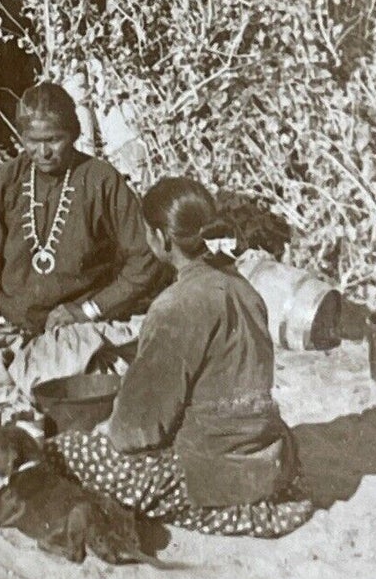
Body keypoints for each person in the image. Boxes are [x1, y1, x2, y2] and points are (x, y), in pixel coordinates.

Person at [49, 177, 315, 538]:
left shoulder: (175, 305)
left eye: (146, 232)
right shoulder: (243, 288)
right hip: (267, 458)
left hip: (212, 472)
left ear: (161, 238)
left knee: (66, 451)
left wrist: (106, 425)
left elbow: (134, 432)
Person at [0, 82, 164, 398]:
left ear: (74, 134)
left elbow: (146, 259)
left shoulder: (100, 179)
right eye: (32, 141)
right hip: (12, 329)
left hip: (74, 332)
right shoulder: (6, 180)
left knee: (57, 375)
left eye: (54, 139)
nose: (43, 151)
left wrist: (88, 310)